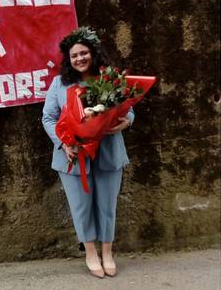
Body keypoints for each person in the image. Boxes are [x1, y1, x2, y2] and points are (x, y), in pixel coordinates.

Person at [41, 27, 134, 279]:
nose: (80, 58)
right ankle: (90, 252)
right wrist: (64, 143)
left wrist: (126, 122)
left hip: (108, 151)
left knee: (107, 206)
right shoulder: (59, 84)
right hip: (72, 156)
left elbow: (128, 108)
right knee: (81, 207)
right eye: (74, 55)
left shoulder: (109, 78)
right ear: (68, 59)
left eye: (84, 53)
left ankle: (107, 252)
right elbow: (48, 118)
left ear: (92, 53)